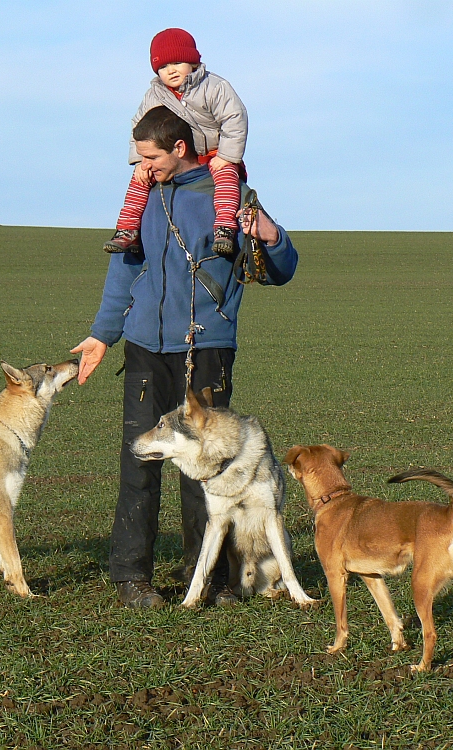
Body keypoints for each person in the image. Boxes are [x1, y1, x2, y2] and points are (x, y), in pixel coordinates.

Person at [72, 105, 298, 608]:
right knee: (141, 463)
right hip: (145, 348)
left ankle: (212, 580)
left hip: (208, 349)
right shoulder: (143, 200)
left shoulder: (229, 197)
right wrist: (101, 335)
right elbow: (124, 272)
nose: (142, 166)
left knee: (208, 467)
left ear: (179, 148)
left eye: (149, 156)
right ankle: (132, 578)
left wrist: (271, 236)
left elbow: (283, 268)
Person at [104, 28, 249, 259]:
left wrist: (227, 155)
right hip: (177, 154)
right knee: (140, 178)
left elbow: (234, 118)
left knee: (226, 179)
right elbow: (139, 127)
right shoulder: (155, 95)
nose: (170, 71)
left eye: (178, 62)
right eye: (162, 67)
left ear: (193, 61)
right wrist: (140, 160)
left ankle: (224, 228)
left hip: (213, 151)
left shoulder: (214, 87)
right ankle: (128, 229)